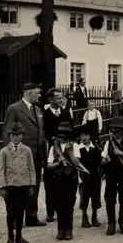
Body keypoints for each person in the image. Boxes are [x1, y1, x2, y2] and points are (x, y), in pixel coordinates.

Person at [2, 83, 47, 227]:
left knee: (33, 185)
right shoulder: (14, 109)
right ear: (29, 93)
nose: (40, 95)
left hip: (37, 154)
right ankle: (15, 219)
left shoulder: (38, 109)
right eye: (37, 93)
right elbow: (7, 132)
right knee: (19, 187)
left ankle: (31, 216)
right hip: (21, 155)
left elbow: (41, 132)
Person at [0, 122, 35, 243]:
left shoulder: (27, 150)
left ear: (22, 136)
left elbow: (31, 168)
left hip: (23, 185)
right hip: (10, 186)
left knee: (21, 211)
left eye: (18, 134)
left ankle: (19, 236)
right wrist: (3, 186)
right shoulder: (4, 152)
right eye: (13, 134)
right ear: (9, 136)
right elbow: (1, 170)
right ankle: (10, 237)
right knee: (11, 212)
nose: (15, 137)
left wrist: (31, 185)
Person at [42, 88, 74, 222]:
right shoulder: (45, 115)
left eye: (62, 97)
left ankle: (64, 209)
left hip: (65, 151)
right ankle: (50, 210)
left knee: (65, 179)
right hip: (51, 150)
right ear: (51, 100)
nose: (62, 100)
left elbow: (72, 130)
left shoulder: (66, 113)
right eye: (58, 98)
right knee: (50, 182)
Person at [46, 122, 81, 240]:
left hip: (71, 178)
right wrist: (58, 163)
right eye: (60, 134)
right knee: (59, 205)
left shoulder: (74, 146)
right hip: (58, 178)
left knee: (69, 204)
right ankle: (60, 229)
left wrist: (70, 153)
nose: (61, 137)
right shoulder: (53, 148)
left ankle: (69, 230)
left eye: (64, 134)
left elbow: (77, 164)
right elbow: (49, 166)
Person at [77, 125, 103, 228]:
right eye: (82, 135)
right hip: (84, 176)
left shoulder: (95, 147)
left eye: (87, 135)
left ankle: (94, 216)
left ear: (90, 136)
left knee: (95, 196)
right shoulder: (78, 148)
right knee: (84, 196)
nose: (85, 137)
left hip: (95, 175)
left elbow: (100, 160)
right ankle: (84, 217)